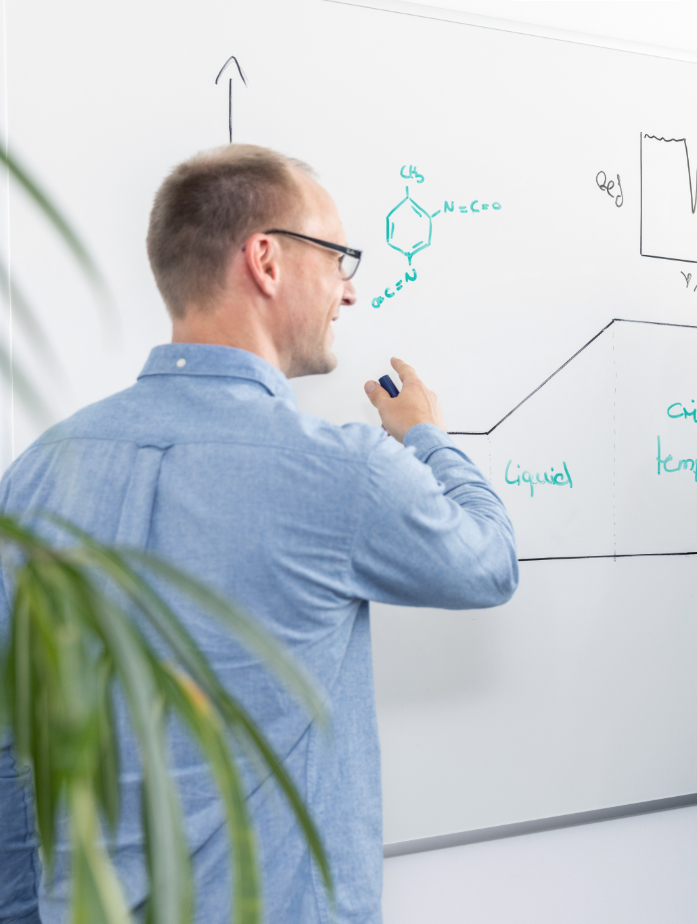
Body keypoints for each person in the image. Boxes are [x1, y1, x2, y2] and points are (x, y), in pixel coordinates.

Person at [0, 145, 518, 923]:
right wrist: (427, 437)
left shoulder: (39, 471)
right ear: (266, 260)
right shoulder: (344, 472)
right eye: (339, 257)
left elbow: (13, 741)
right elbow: (489, 563)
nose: (348, 291)